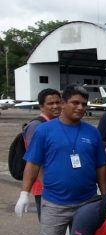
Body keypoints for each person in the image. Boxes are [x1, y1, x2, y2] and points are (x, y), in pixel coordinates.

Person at [16, 85, 106, 235]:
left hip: (87, 201)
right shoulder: (45, 131)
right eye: (75, 103)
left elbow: (100, 167)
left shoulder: (91, 132)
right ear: (64, 103)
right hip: (55, 202)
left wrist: (105, 196)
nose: (80, 108)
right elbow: (33, 163)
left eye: (84, 104)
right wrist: (24, 193)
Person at [22, 88, 62, 219]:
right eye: (50, 104)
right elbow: (35, 161)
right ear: (41, 107)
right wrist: (48, 188)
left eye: (58, 102)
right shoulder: (36, 126)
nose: (56, 106)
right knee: (51, 233)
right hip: (46, 189)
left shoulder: (58, 124)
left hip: (61, 187)